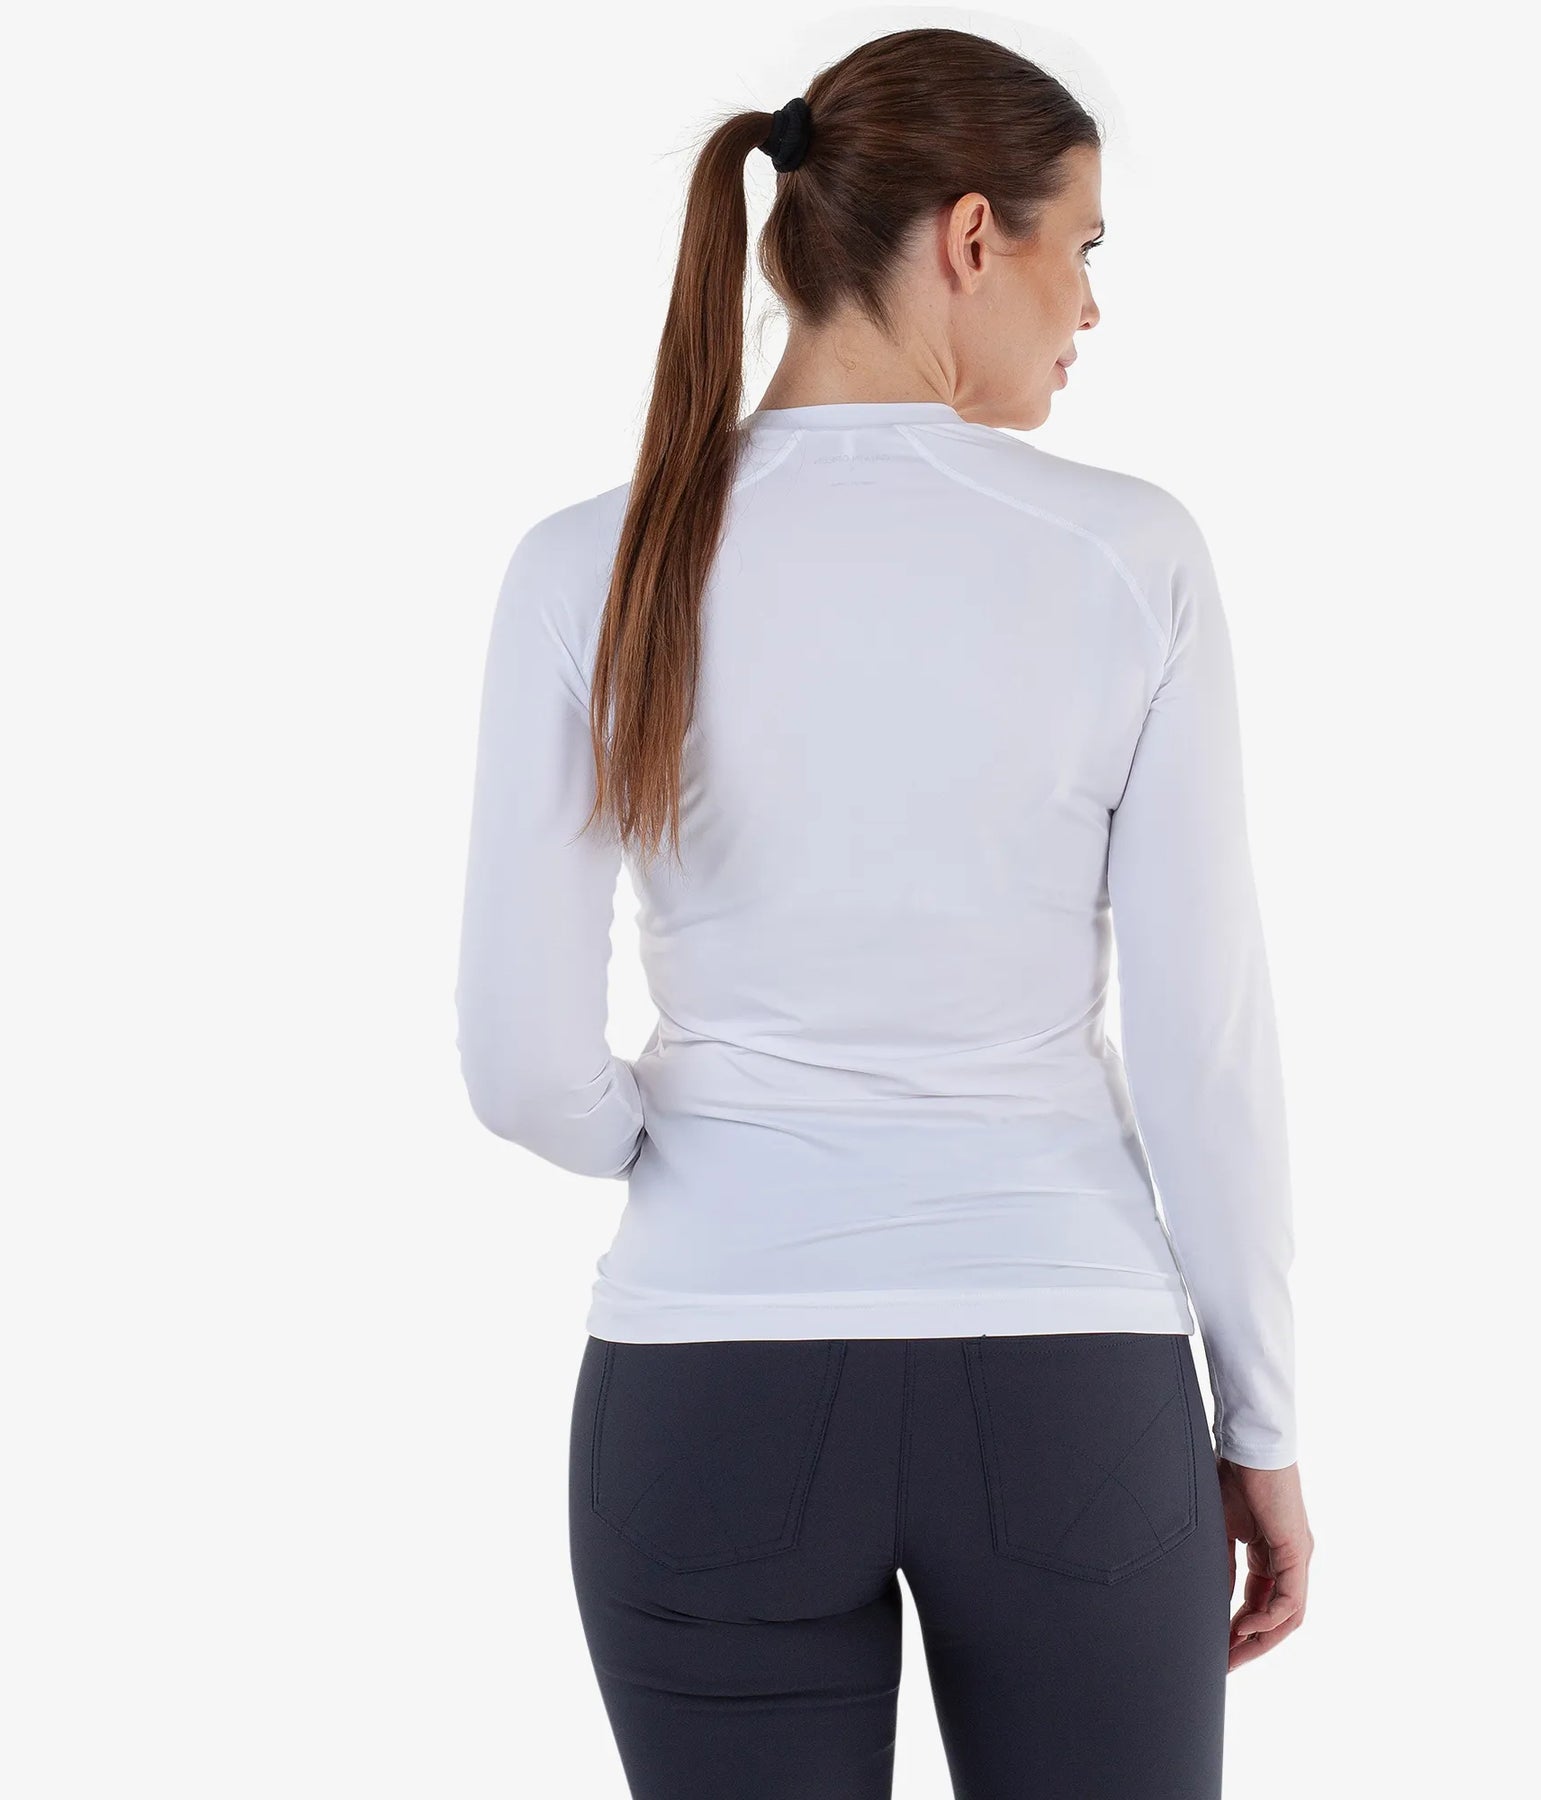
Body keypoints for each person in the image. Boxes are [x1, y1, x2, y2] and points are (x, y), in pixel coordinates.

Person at [454, 25, 1313, 1800]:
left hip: (706, 1389)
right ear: (974, 235)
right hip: (1069, 1387)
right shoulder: (1128, 555)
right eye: (1085, 249)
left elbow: (523, 1067)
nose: (1092, 310)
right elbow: (1203, 1047)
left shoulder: (588, 564)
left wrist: (681, 1142)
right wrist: (1262, 1422)